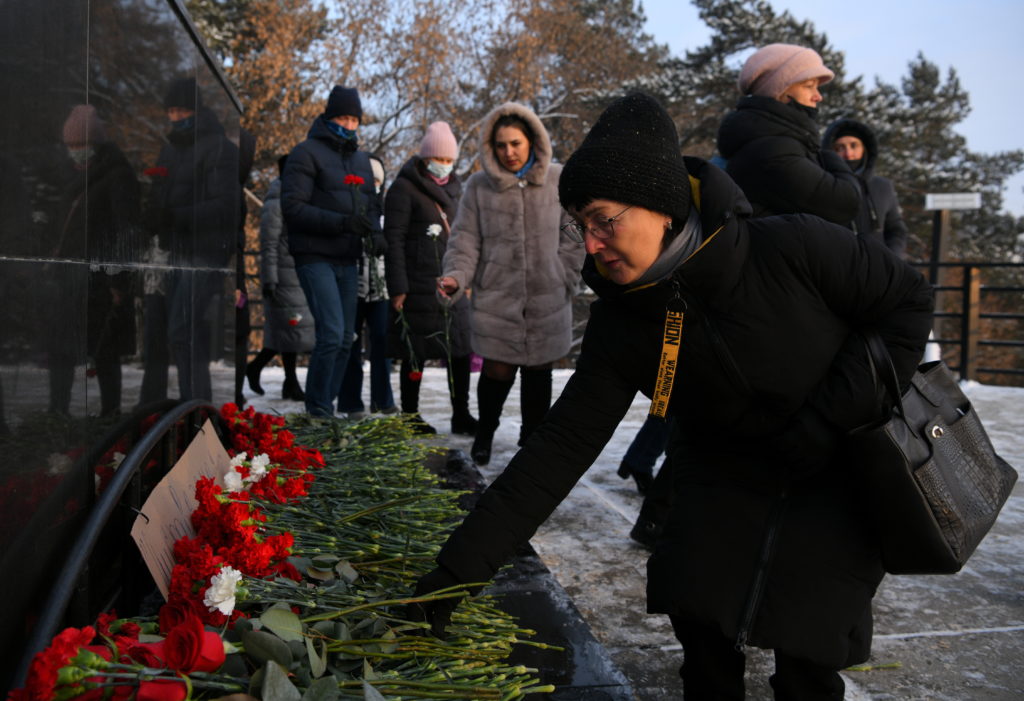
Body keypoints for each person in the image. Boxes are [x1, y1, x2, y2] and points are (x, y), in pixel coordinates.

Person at [413, 93, 935, 699]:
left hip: (830, 473)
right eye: (579, 225)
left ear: (662, 208)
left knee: (807, 654)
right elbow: (559, 448)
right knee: (702, 627)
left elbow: (908, 302)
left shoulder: (790, 247)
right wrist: (452, 577)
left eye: (604, 220)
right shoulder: (625, 321)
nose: (591, 244)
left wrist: (828, 420)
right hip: (717, 476)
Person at [439, 103, 584, 464]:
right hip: (497, 298)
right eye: (501, 145)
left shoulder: (557, 180)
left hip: (547, 297)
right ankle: (485, 432)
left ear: (532, 141)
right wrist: (457, 277)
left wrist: (566, 273)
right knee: (497, 369)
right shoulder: (478, 187)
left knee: (539, 371)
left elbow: (574, 232)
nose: (509, 152)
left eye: (515, 143)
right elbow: (465, 240)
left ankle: (532, 439)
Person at [281, 85, 386, 417]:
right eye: (343, 117)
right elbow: (293, 208)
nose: (349, 125)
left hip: (347, 257)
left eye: (354, 119)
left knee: (346, 337)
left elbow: (370, 205)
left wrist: (376, 233)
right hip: (314, 255)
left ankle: (329, 406)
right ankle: (319, 411)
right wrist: (342, 223)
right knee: (330, 333)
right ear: (328, 117)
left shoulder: (360, 160)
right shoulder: (305, 153)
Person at [148, 77, 239, 402]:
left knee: (182, 330)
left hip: (204, 252)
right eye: (171, 110)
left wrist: (177, 216)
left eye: (183, 109)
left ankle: (196, 407)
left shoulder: (218, 148)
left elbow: (225, 205)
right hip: (176, 250)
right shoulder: (171, 149)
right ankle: (193, 405)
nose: (177, 116)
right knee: (180, 334)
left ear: (197, 110)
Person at [47, 104, 140, 417]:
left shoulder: (116, 175)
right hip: (71, 276)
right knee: (62, 348)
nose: (75, 152)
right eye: (70, 146)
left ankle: (109, 412)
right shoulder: (72, 178)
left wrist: (119, 279)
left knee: (105, 351)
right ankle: (57, 410)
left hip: (101, 277)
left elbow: (126, 230)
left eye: (79, 145)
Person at [384, 122, 476, 435]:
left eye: (450, 160)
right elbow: (392, 239)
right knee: (416, 353)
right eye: (439, 158)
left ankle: (461, 413)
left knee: (460, 349)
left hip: (452, 282)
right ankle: (410, 416)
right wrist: (398, 287)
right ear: (425, 158)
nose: (444, 165)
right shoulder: (403, 188)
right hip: (416, 284)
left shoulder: (457, 188)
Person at [716, 43, 861, 225]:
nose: (818, 96)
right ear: (779, 91)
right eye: (809, 86)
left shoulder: (778, 140)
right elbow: (846, 203)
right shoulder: (772, 150)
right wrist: (829, 155)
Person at [246, 154, 314, 401]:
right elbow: (269, 243)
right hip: (284, 275)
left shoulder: (297, 196)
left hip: (297, 272)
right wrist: (270, 279)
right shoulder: (277, 201)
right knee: (290, 329)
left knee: (290, 330)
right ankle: (290, 382)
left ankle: (260, 369)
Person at [338, 155, 397, 418]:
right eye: (368, 180)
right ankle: (351, 402)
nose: (372, 185)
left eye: (377, 180)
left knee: (383, 343)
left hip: (382, 288)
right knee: (351, 344)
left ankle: (383, 400)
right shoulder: (348, 209)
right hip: (354, 286)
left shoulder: (388, 213)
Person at [823, 117, 909, 257]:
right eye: (840, 148)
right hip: (836, 268)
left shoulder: (883, 187)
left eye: (854, 145)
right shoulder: (823, 185)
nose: (848, 154)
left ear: (865, 148)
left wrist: (891, 258)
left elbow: (896, 230)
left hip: (878, 270)